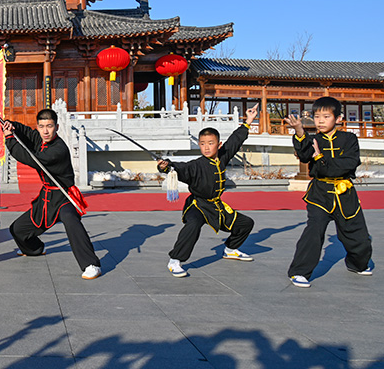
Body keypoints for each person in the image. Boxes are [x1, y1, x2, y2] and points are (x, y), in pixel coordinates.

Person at [157, 104, 259, 278]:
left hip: (216, 206)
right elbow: (181, 168)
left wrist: (249, 120)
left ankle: (231, 249)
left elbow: (236, 139)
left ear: (218, 145)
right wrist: (166, 166)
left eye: (210, 143)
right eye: (202, 144)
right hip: (197, 205)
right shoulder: (196, 165)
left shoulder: (223, 157)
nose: (206, 147)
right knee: (193, 225)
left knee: (246, 223)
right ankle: (175, 260)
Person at [284, 97, 373, 287]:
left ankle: (357, 263)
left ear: (338, 118)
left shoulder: (349, 139)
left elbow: (349, 164)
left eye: (326, 116)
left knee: (359, 238)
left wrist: (321, 158)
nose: (321, 121)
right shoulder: (313, 139)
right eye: (317, 117)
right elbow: (304, 155)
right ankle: (300, 271)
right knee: (314, 231)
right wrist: (300, 131)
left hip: (345, 195)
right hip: (320, 194)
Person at [1, 109, 101, 280]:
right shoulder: (40, 138)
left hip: (63, 196)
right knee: (17, 230)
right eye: (41, 126)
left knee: (71, 221)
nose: (45, 131)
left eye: (49, 126)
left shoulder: (58, 149)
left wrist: (9, 139)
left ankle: (91, 264)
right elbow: (27, 132)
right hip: (46, 197)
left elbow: (32, 158)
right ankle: (35, 249)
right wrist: (12, 125)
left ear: (57, 127)